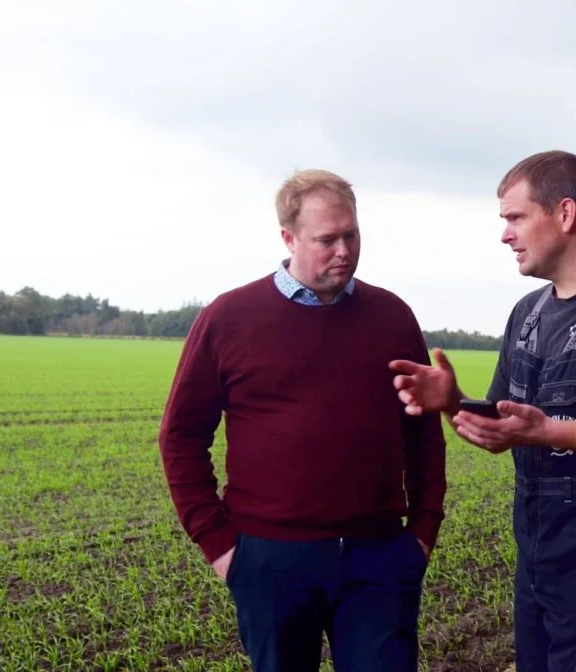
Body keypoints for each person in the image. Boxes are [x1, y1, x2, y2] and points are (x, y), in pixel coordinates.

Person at [390, 150, 576, 671]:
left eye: (515, 217)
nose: (505, 234)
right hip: (537, 544)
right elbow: (507, 425)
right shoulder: (527, 314)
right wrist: (452, 403)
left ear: (564, 214)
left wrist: (550, 429)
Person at [157, 169, 447, 672]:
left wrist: (421, 533)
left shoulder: (393, 317)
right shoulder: (229, 318)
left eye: (351, 235)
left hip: (378, 556)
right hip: (270, 561)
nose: (344, 251)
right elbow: (181, 436)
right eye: (327, 240)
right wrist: (222, 547)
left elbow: (423, 432)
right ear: (288, 238)